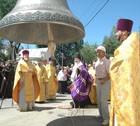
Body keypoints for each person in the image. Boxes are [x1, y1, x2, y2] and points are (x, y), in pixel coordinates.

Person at [109, 18, 140, 126]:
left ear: (125, 32)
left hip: (125, 92)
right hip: (126, 89)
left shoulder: (129, 47)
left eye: (117, 31)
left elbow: (122, 63)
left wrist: (113, 61)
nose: (116, 33)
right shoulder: (130, 46)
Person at [95, 46, 110, 125]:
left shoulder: (107, 62)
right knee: (98, 99)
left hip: (105, 81)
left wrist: (103, 81)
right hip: (98, 81)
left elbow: (110, 74)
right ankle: (101, 114)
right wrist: (95, 81)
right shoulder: (97, 62)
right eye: (97, 51)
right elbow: (96, 73)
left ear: (103, 52)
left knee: (103, 100)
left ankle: (106, 118)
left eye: (99, 51)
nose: (97, 53)